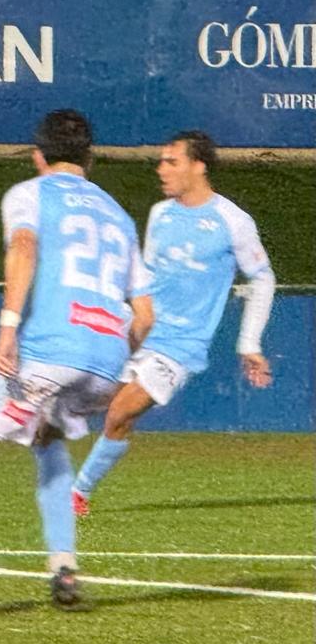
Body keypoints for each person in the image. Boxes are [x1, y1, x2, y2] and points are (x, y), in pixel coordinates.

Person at [0, 110, 147, 620]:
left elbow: (23, 245)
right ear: (91, 159)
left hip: (48, 349)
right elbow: (145, 314)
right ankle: (64, 567)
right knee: (48, 437)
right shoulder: (120, 216)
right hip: (108, 361)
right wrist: (115, 356)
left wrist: (8, 325)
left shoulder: (30, 194)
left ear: (39, 156)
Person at [71, 132, 275, 516]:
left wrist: (250, 343)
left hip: (181, 345)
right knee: (92, 399)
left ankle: (76, 493)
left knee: (120, 411)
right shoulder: (160, 214)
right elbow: (146, 276)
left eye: (171, 161)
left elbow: (262, 278)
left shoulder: (233, 222)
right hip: (140, 329)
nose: (160, 169)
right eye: (161, 161)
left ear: (199, 166)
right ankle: (69, 482)